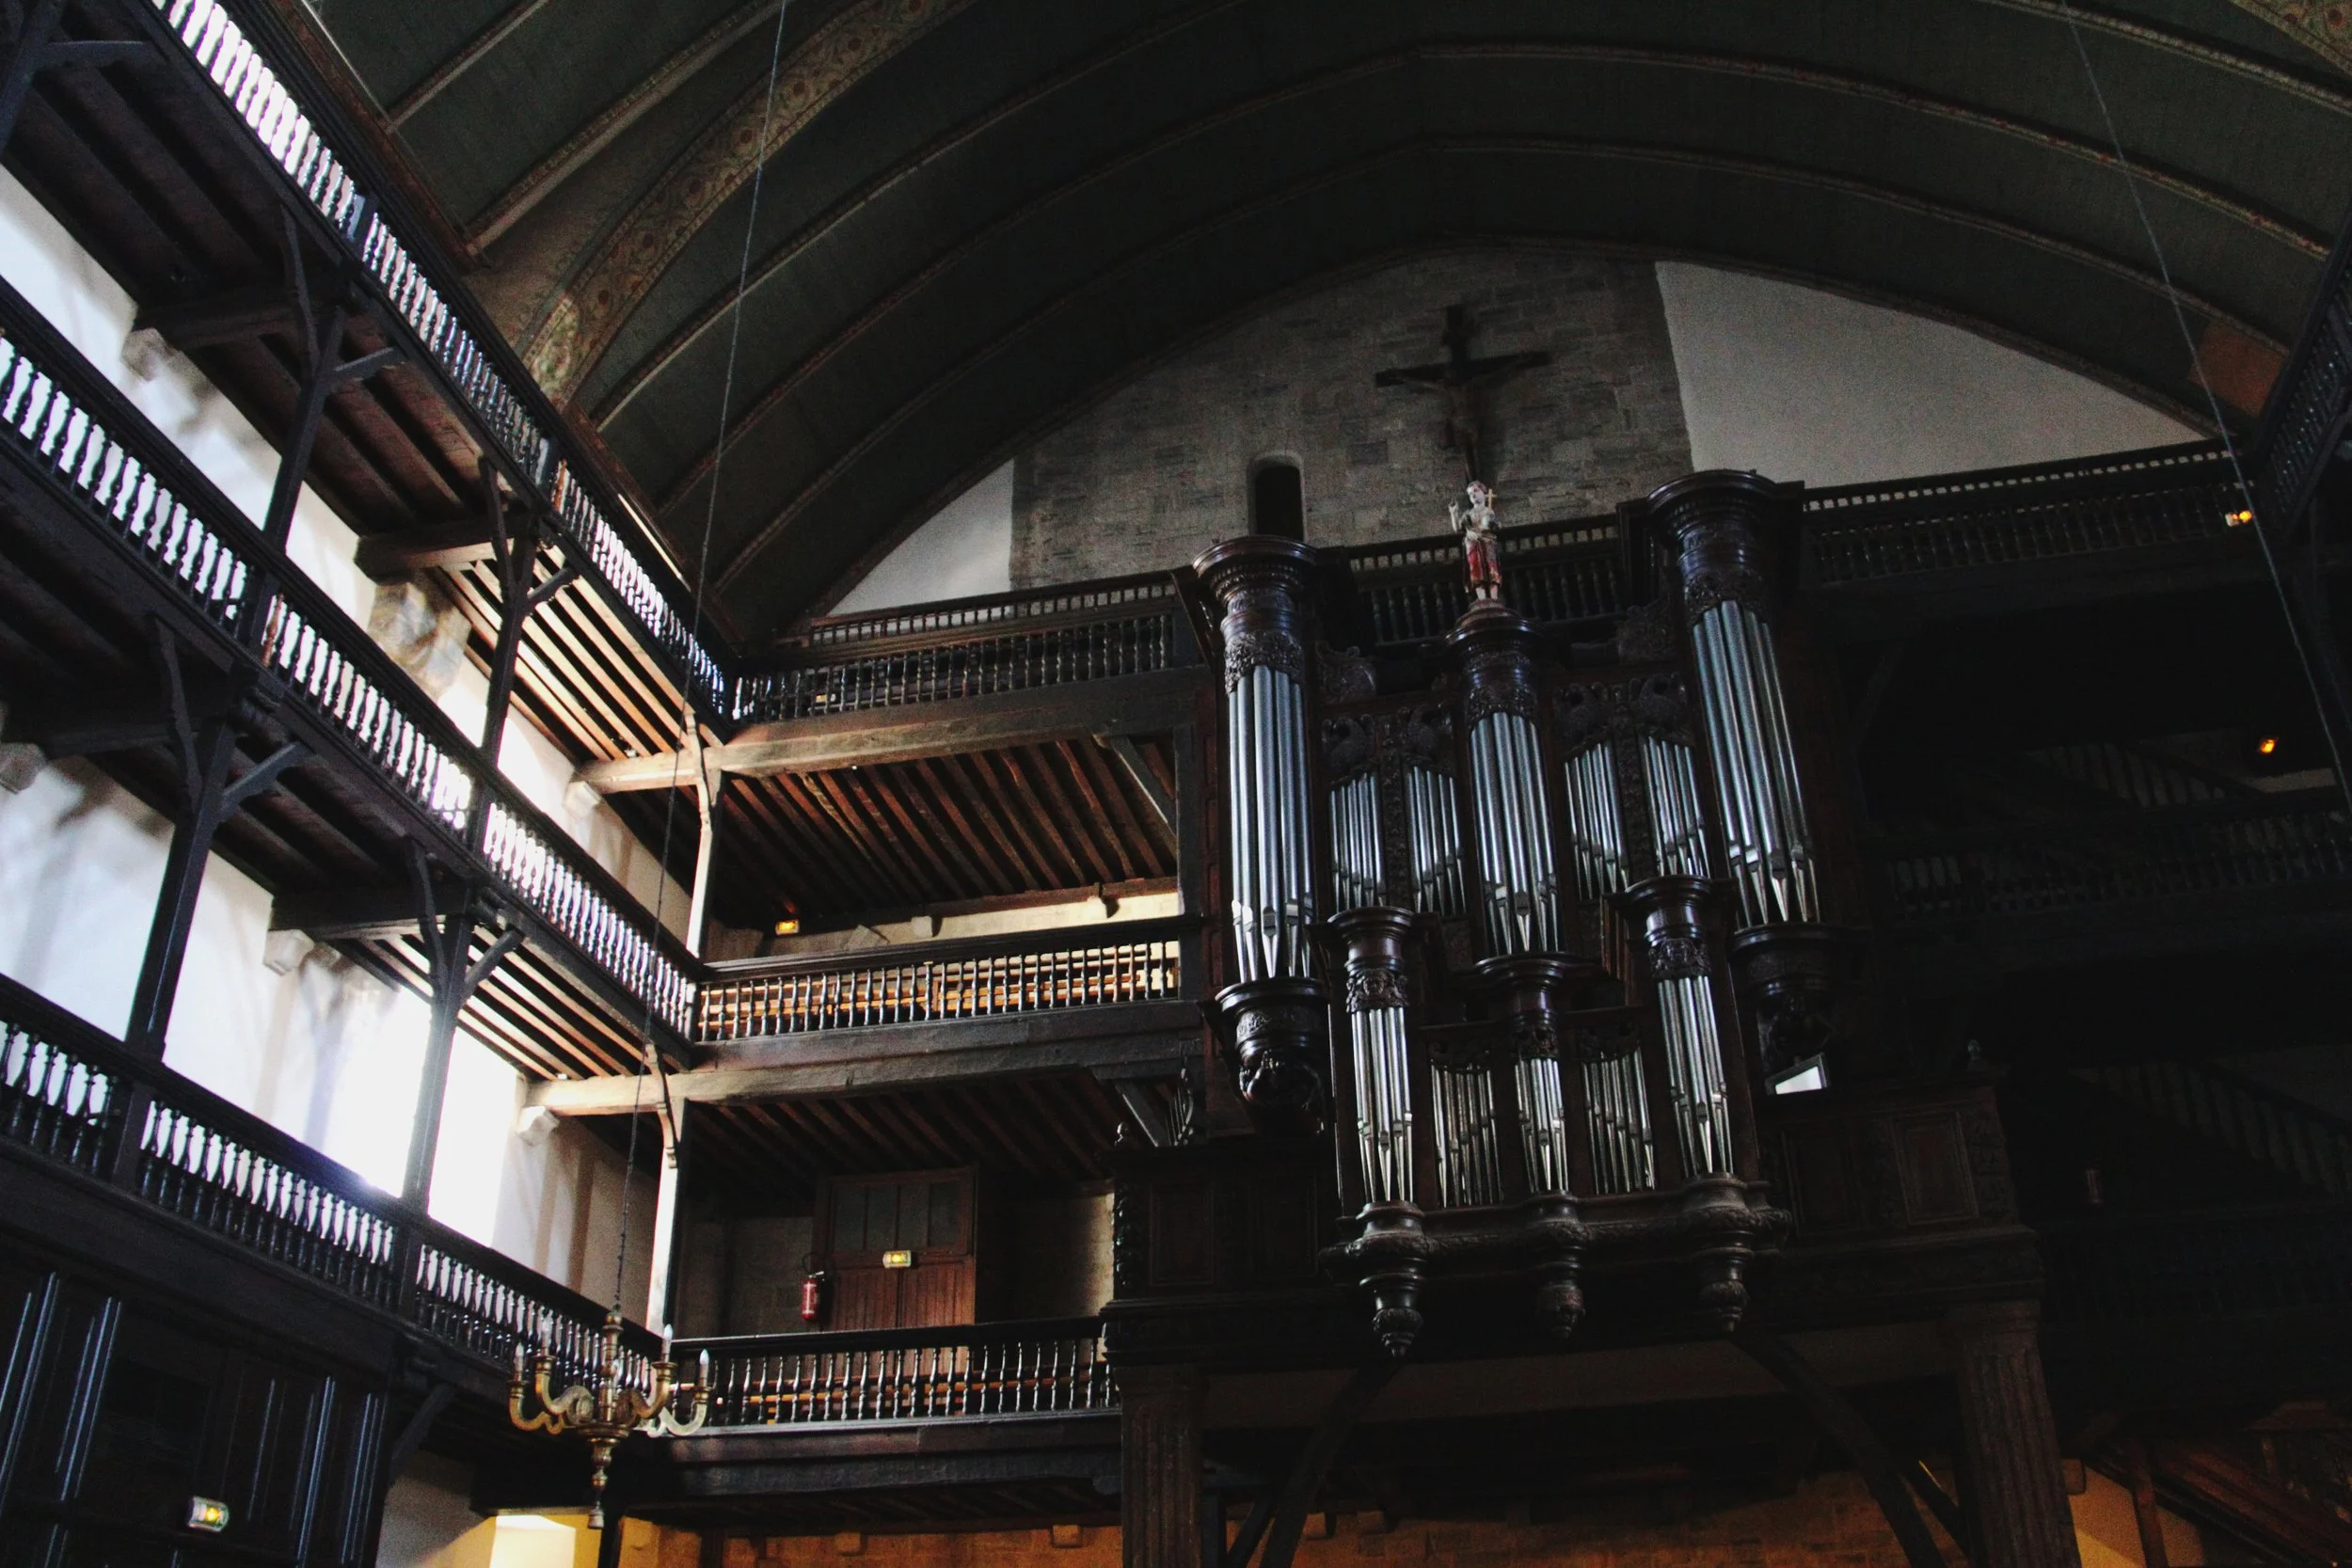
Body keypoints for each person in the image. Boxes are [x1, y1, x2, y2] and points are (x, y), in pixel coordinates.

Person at [1449, 480, 1504, 601]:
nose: (1473, 494)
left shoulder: (1488, 511)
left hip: (1487, 543)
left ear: (1484, 493)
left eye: (1475, 491)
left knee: (1491, 569)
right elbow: (1457, 528)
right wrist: (1453, 513)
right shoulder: (1468, 513)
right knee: (1476, 571)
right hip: (1473, 545)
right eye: (1470, 493)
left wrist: (1490, 524)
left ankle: (1494, 598)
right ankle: (1482, 599)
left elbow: (1496, 526)